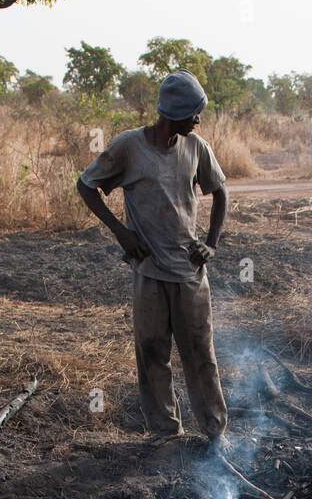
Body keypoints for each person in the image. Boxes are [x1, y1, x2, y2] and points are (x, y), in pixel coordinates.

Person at [76, 69, 229, 443]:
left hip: (190, 273)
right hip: (148, 272)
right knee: (152, 354)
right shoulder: (129, 147)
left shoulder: (196, 148)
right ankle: (165, 433)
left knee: (201, 357)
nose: (198, 119)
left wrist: (211, 243)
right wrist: (121, 232)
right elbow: (86, 184)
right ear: (173, 113)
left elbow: (220, 191)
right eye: (193, 112)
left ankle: (214, 432)